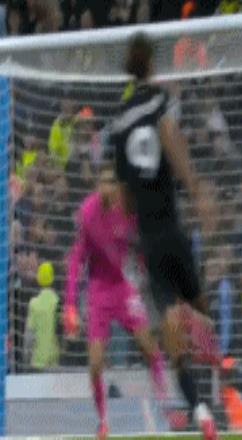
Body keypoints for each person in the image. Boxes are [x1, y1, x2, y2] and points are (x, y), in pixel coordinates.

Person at [110, 32, 218, 440]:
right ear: (152, 64)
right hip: (172, 228)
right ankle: (216, 380)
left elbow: (123, 195)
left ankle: (200, 409)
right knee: (201, 309)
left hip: (150, 241)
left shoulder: (120, 120)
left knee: (170, 326)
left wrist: (127, 230)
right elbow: (170, 136)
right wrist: (196, 188)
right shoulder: (160, 102)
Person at [63, 163, 169, 440]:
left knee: (148, 344)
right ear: (98, 185)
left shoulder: (129, 209)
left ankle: (163, 400)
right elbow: (76, 259)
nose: (107, 187)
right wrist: (70, 303)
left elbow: (142, 244)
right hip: (98, 290)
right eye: (103, 182)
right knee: (95, 362)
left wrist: (147, 271)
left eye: (112, 182)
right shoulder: (88, 212)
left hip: (123, 285)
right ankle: (102, 421)